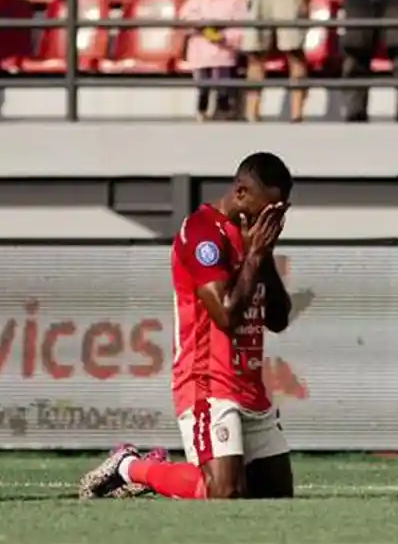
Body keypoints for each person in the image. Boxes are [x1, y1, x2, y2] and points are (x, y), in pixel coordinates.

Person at [79, 152, 296, 501]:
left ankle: (141, 468)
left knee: (275, 495)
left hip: (249, 385)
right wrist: (255, 255)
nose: (267, 221)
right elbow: (225, 314)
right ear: (240, 193)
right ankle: (130, 467)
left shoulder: (253, 239)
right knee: (223, 492)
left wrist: (263, 255)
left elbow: (279, 318)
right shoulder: (202, 233)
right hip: (207, 382)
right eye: (264, 210)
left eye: (277, 214)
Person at [179, 0, 246, 121]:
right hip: (200, 54)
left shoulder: (235, 1)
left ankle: (225, 110)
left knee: (224, 84)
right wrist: (202, 27)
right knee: (203, 85)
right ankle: (202, 110)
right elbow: (186, 18)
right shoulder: (195, 1)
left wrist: (224, 37)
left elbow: (240, 26)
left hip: (224, 53)